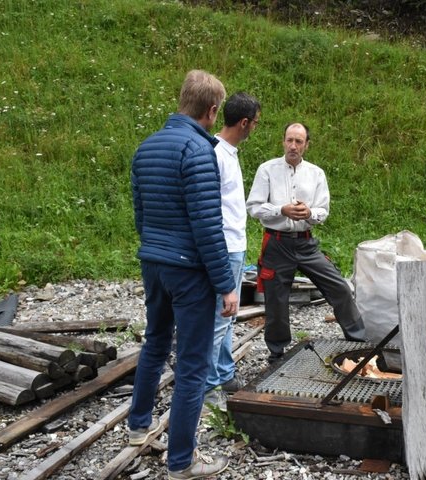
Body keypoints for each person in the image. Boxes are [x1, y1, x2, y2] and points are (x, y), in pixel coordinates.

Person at [128, 69, 237, 479]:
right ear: (211, 110)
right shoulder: (198, 151)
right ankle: (181, 462)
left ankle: (138, 428)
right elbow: (208, 225)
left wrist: (157, 249)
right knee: (192, 365)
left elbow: (141, 214)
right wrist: (226, 284)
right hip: (188, 272)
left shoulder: (146, 147)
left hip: (153, 263)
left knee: (155, 343)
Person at [246, 122, 367, 363]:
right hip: (276, 242)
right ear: (283, 141)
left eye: (298, 141)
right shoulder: (267, 170)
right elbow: (253, 207)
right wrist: (282, 209)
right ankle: (277, 353)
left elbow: (323, 210)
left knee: (339, 287)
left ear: (306, 145)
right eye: (289, 140)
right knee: (276, 300)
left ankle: (358, 341)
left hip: (306, 243)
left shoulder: (316, 173)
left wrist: (309, 213)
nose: (293, 146)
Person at [203, 92, 261, 409]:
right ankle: (209, 387)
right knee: (219, 319)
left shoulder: (228, 151)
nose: (254, 128)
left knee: (229, 316)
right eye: (254, 123)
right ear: (243, 123)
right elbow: (210, 209)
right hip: (225, 247)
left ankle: (224, 372)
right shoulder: (215, 154)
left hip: (234, 246)